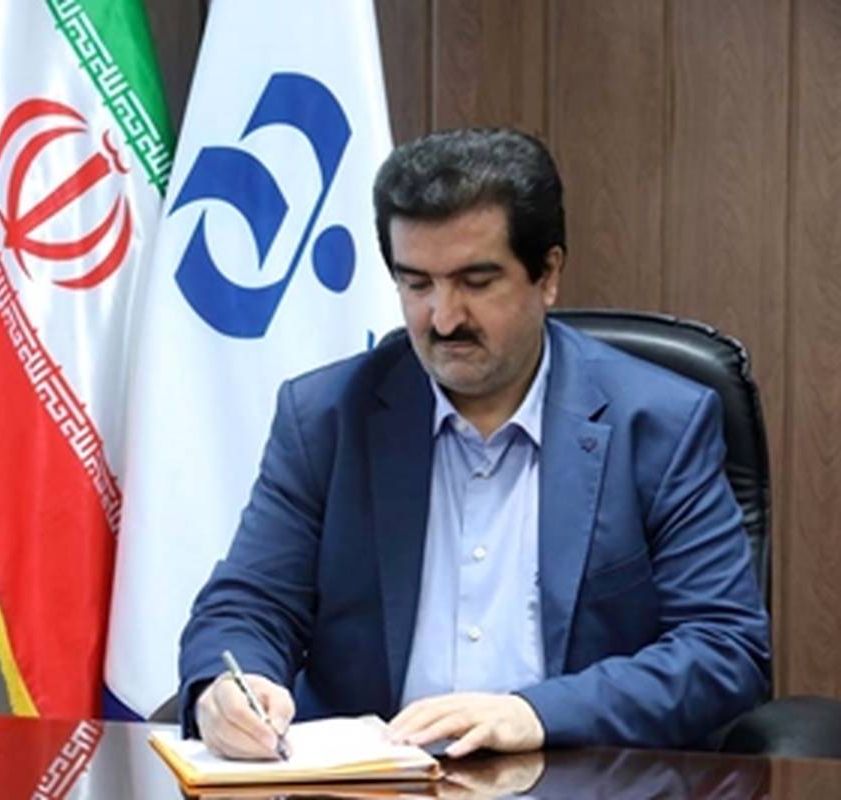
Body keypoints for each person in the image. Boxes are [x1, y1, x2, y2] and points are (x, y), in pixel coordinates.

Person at [177, 128, 770, 760]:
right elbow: (249, 603)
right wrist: (227, 687)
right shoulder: (326, 417)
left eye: (477, 282)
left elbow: (724, 649)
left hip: (574, 776)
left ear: (547, 274)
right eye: (417, 284)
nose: (444, 318)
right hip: (369, 783)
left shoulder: (658, 424)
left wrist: (535, 713)